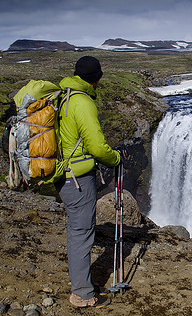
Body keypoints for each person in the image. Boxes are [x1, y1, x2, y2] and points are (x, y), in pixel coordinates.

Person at [55, 56, 122, 308]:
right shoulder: (82, 102)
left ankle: (81, 282)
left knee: (77, 230)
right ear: (96, 79)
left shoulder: (64, 95)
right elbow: (96, 146)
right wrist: (115, 158)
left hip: (63, 173)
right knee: (81, 233)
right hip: (78, 179)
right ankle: (82, 294)